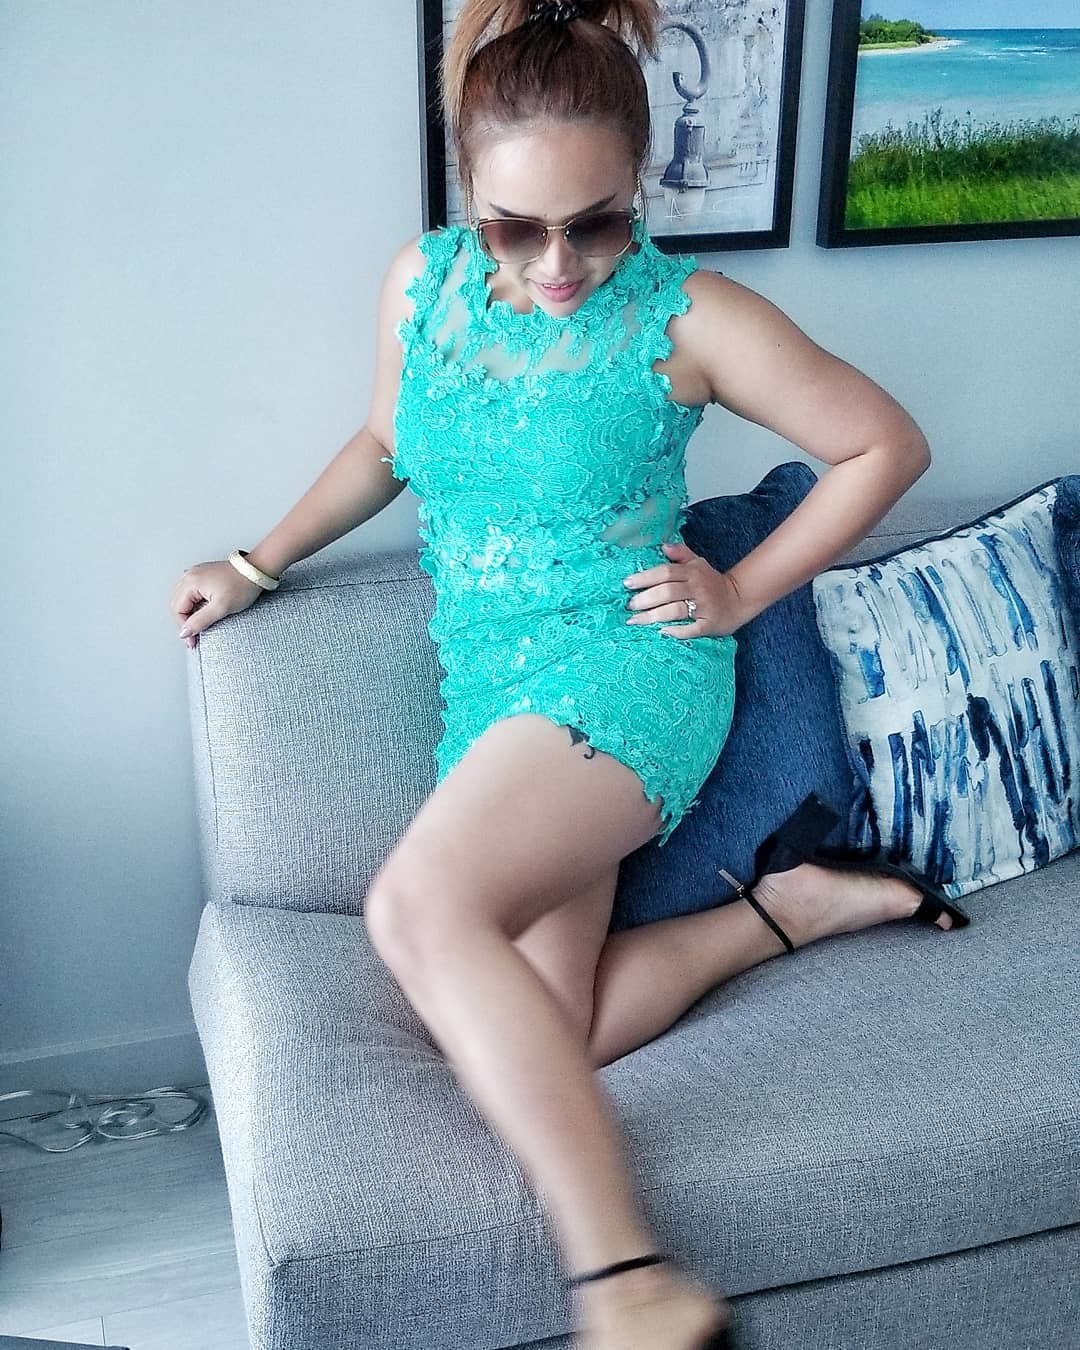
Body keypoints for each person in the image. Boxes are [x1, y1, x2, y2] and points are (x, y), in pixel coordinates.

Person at [168, 2, 970, 1345]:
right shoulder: (419, 286)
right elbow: (386, 443)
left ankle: (630, 1281)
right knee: (543, 1031)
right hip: (491, 689)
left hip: (628, 676)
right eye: (517, 229)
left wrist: (738, 591)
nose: (557, 265)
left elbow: (885, 445)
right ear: (466, 196)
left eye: (595, 224)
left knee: (420, 908)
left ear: (640, 186)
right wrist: (257, 562)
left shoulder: (690, 317)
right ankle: (793, 907)